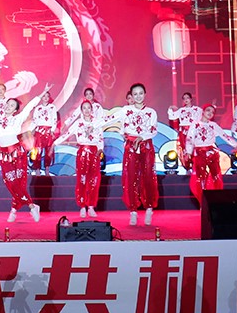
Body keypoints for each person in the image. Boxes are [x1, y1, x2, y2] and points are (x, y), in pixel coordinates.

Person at [0, 84, 51, 223]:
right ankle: (32, 206)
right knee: (10, 182)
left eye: (11, 105)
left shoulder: (18, 118)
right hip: (4, 155)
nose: (8, 106)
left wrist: (43, 92)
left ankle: (14, 211)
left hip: (17, 153)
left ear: (15, 110)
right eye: (7, 104)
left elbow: (30, 106)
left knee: (19, 183)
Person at [105, 83, 160, 226]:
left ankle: (149, 208)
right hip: (131, 147)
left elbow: (153, 130)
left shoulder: (151, 112)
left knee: (148, 176)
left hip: (146, 146)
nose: (138, 96)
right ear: (131, 96)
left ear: (145, 94)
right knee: (130, 177)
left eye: (141, 93)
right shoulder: (126, 110)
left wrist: (142, 137)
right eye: (135, 94)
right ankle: (133, 211)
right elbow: (109, 119)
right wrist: (92, 125)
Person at [54, 100, 110, 217]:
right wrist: (55, 143)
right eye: (84, 108)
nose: (87, 110)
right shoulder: (78, 123)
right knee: (82, 179)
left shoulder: (96, 122)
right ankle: (83, 206)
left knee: (94, 180)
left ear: (92, 109)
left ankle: (91, 206)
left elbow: (100, 138)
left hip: (94, 153)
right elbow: (67, 134)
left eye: (89, 108)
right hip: (82, 154)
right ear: (81, 110)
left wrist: (100, 150)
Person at [185, 105, 237, 205]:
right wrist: (188, 152)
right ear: (203, 111)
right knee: (200, 178)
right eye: (208, 110)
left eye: (212, 112)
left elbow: (224, 135)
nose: (210, 113)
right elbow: (189, 138)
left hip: (211, 153)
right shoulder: (195, 124)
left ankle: (216, 201)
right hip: (199, 153)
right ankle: (202, 202)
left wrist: (236, 145)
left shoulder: (213, 125)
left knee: (216, 176)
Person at [167, 92, 202, 171]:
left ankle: (196, 167)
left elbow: (205, 116)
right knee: (184, 148)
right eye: (184, 98)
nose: (186, 100)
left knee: (195, 148)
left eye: (187, 98)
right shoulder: (181, 110)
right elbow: (172, 117)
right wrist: (170, 108)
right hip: (183, 132)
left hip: (194, 131)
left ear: (191, 99)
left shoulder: (197, 109)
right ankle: (187, 167)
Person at [30, 90, 58, 175]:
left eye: (47, 96)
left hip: (48, 131)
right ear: (41, 98)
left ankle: (47, 168)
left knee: (48, 151)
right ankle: (37, 168)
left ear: (49, 98)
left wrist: (52, 130)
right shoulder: (38, 108)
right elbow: (34, 120)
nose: (45, 98)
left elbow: (54, 119)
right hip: (39, 131)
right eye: (44, 96)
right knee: (37, 150)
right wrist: (31, 129)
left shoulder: (52, 107)